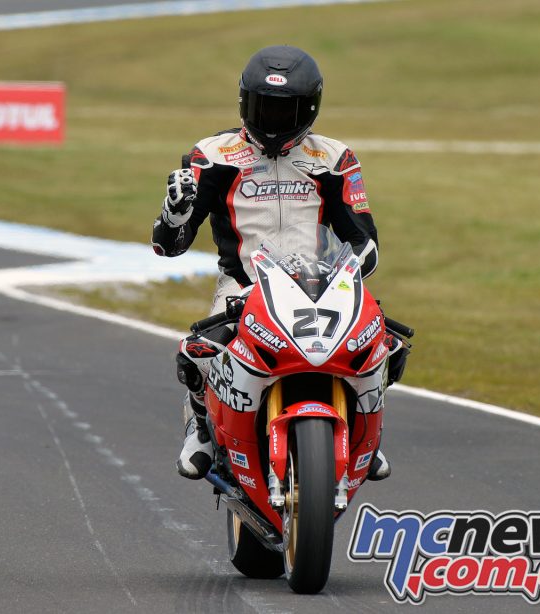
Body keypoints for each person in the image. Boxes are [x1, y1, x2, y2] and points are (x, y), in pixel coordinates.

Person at [151, 45, 394, 480]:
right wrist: (175, 214)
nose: (272, 122)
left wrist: (347, 277)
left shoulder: (335, 159)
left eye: (286, 111)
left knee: (383, 345)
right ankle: (201, 428)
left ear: (311, 108)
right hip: (243, 286)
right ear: (244, 102)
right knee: (197, 352)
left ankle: (367, 435)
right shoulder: (212, 155)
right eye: (263, 108)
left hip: (320, 283)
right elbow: (170, 246)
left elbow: (364, 239)